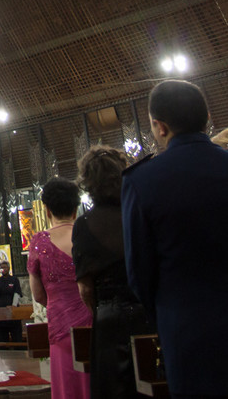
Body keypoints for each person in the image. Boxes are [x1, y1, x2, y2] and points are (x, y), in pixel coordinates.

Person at [123, 80, 228, 399]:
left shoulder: (142, 182)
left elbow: (140, 272)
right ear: (208, 118)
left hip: (190, 334)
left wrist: (170, 313)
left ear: (159, 127)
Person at [73, 146, 151, 399]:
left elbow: (85, 288)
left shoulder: (84, 224)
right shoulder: (142, 211)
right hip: (149, 313)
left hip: (109, 320)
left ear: (88, 182)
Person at [29, 177, 92, 399]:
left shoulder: (39, 242)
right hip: (93, 324)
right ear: (76, 209)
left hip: (60, 327)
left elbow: (37, 294)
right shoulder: (89, 235)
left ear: (46, 210)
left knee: (67, 387)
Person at [0, 260, 22, 342]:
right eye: (1, 267)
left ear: (8, 268)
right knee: (2, 336)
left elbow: (17, 293)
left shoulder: (14, 279)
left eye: (5, 267)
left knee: (16, 336)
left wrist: (13, 306)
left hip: (12, 309)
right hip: (1, 310)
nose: (3, 269)